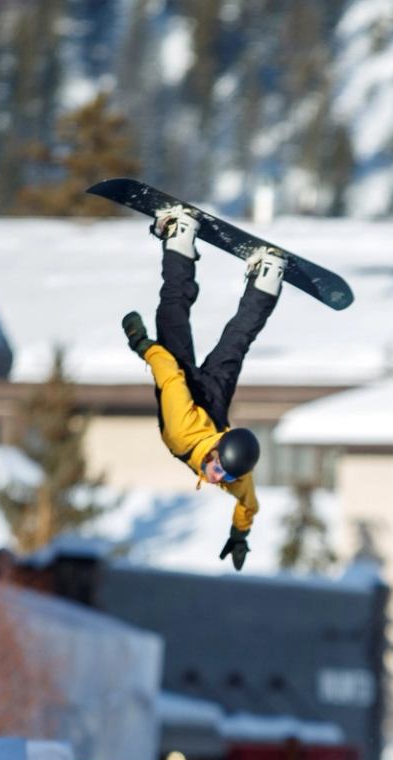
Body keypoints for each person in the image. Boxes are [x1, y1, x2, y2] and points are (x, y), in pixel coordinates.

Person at [119, 205, 284, 570]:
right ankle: (181, 233)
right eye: (220, 471)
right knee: (174, 313)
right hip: (195, 398)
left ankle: (268, 278)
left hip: (212, 410)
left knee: (236, 342)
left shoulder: (233, 474)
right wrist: (142, 345)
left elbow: (248, 504)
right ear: (218, 452)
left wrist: (239, 533)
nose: (217, 479)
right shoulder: (181, 433)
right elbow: (170, 376)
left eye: (223, 475)